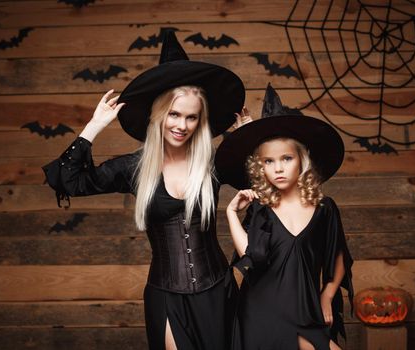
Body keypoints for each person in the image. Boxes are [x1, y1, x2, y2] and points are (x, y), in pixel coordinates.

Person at [42, 31, 250, 350]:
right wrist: (94, 126)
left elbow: (265, 188)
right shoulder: (133, 168)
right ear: (158, 114)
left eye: (191, 117)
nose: (181, 124)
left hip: (217, 291)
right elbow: (68, 181)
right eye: (174, 114)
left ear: (200, 121)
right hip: (166, 295)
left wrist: (249, 138)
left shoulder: (214, 163)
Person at [215, 84, 354, 350]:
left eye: (286, 158)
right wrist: (232, 214)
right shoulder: (261, 209)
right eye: (269, 161)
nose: (278, 168)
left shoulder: (325, 208)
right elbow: (250, 255)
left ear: (302, 160)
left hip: (305, 310)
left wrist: (327, 294)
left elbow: (338, 256)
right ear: (261, 167)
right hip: (260, 311)